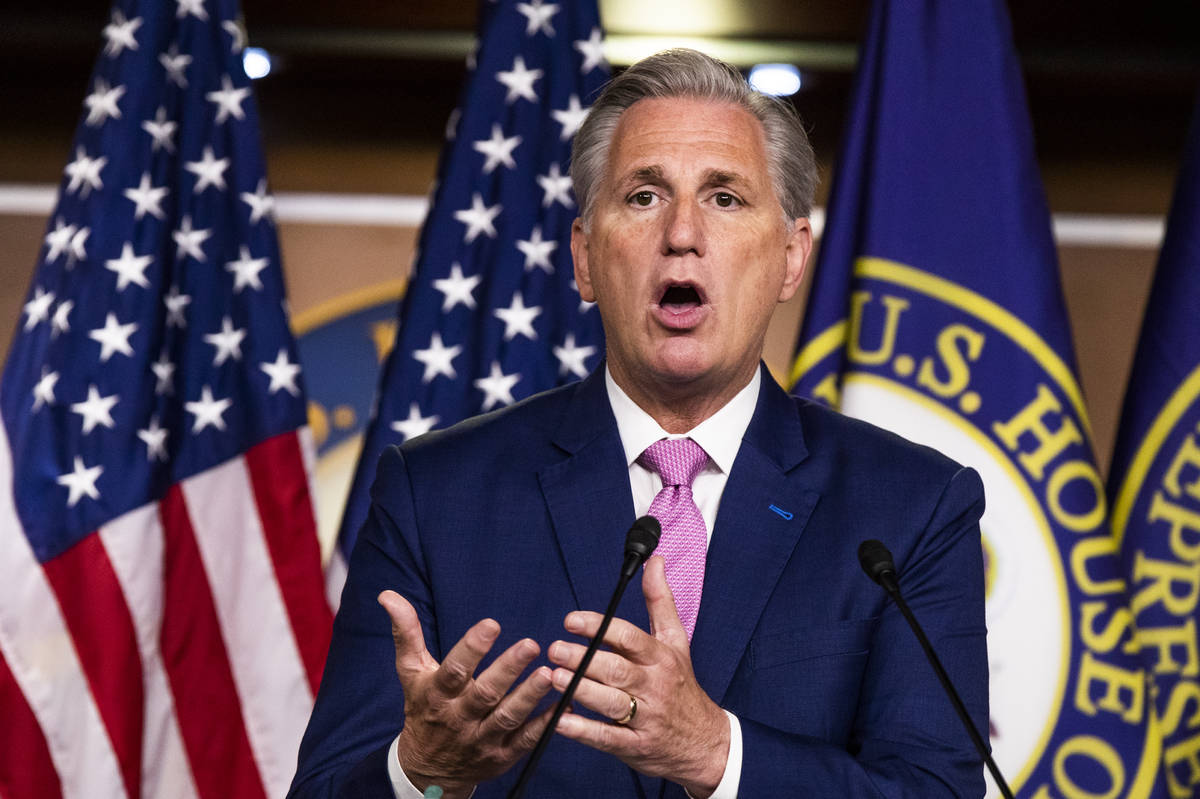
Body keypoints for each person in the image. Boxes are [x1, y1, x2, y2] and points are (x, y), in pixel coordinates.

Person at [289, 48, 989, 798]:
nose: (682, 233)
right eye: (644, 196)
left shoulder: (913, 507)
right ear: (586, 260)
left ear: (790, 257)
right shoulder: (434, 494)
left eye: (725, 198)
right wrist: (415, 771)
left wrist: (719, 753)